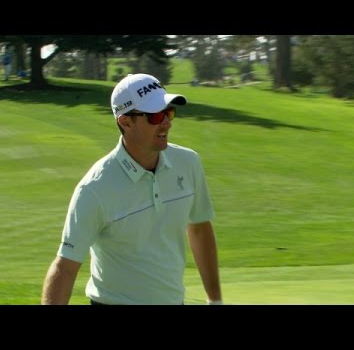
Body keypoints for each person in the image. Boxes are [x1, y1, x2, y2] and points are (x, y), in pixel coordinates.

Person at [42, 73, 223, 305]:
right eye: (156, 115)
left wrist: (215, 300)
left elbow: (199, 228)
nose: (166, 122)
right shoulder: (95, 188)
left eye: (169, 112)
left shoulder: (188, 163)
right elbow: (65, 266)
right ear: (125, 122)